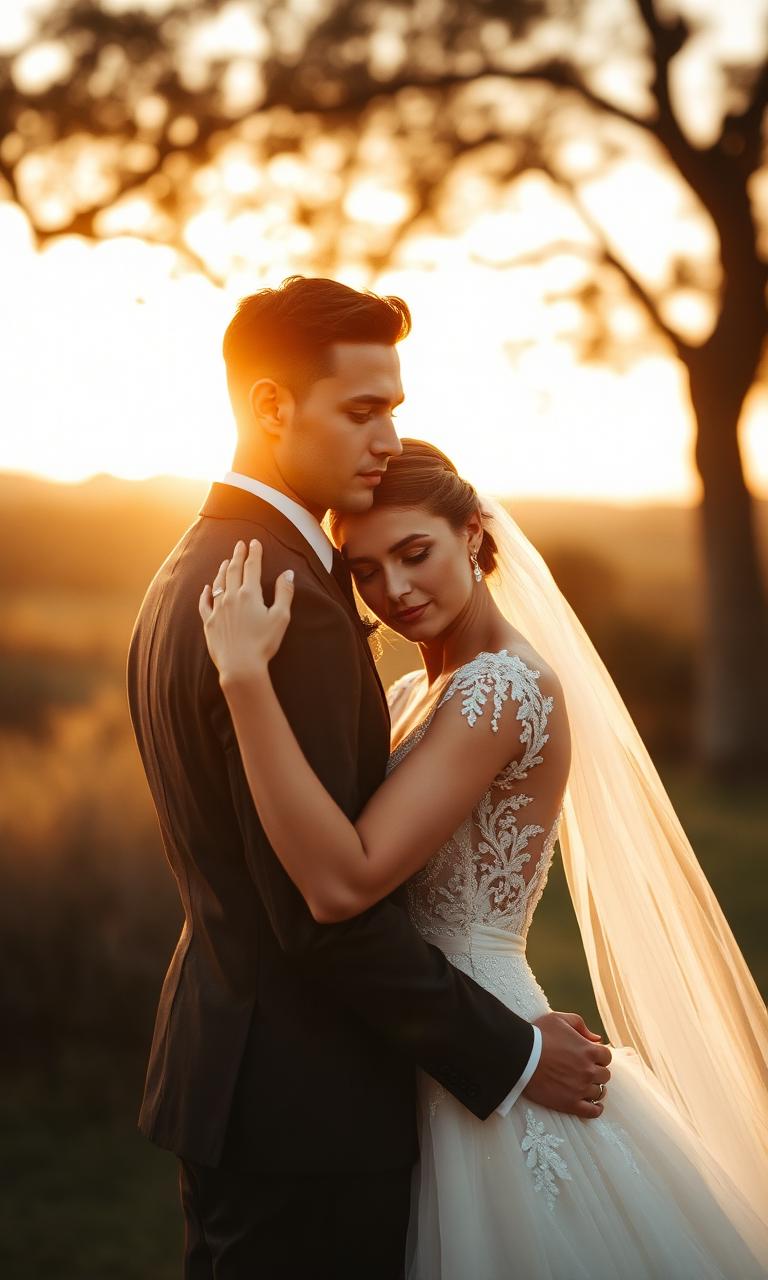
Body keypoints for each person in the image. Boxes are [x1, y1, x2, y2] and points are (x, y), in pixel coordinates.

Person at [127, 278, 608, 1280]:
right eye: (362, 408)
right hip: (308, 1095)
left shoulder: (190, 566)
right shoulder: (282, 598)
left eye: (394, 404)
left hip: (234, 1071)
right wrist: (513, 1051)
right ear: (271, 406)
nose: (389, 433)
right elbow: (324, 903)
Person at [200, 437, 768, 1278]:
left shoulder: (499, 690)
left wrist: (245, 681)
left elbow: (351, 876)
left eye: (415, 552)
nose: (394, 589)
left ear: (472, 533)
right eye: (364, 570)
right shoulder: (411, 693)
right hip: (420, 1040)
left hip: (490, 1053)